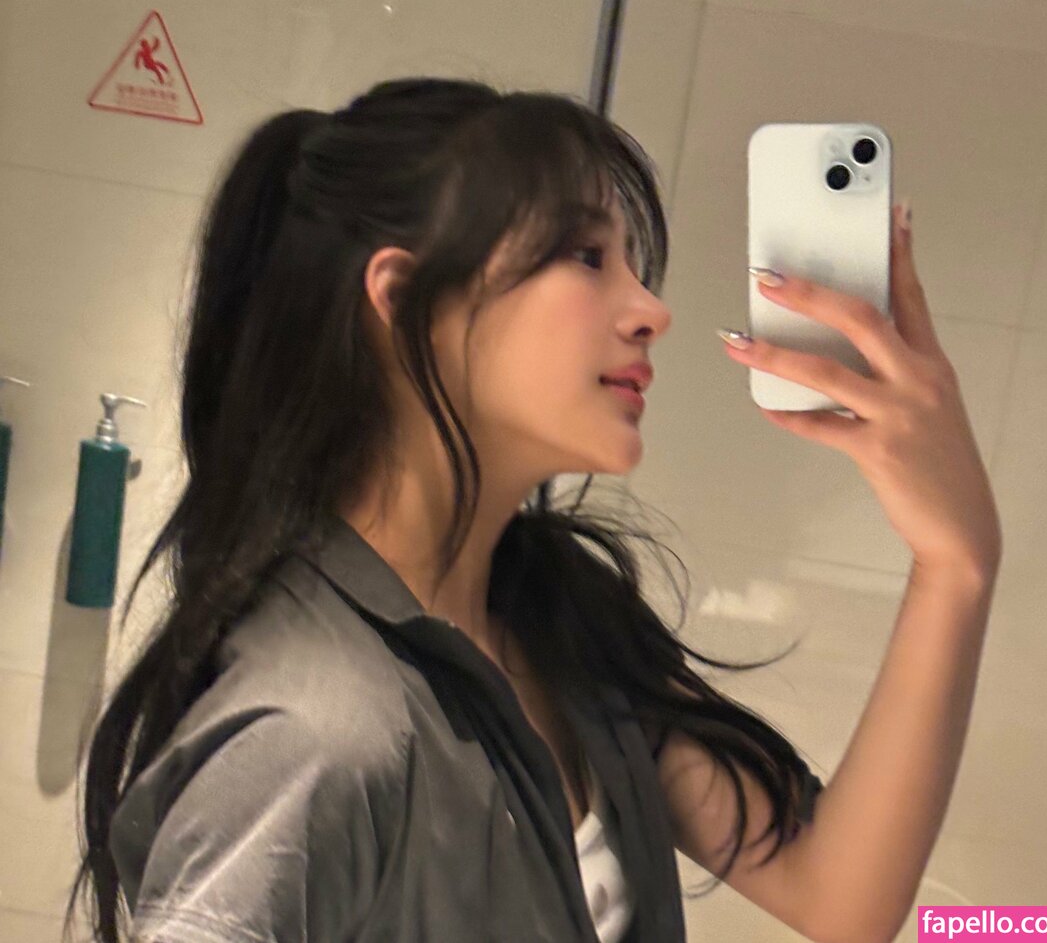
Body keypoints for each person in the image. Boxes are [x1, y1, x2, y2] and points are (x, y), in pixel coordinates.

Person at [67, 78, 824, 943]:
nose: (651, 310)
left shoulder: (558, 623)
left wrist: (941, 538)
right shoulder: (316, 730)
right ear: (403, 301)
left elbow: (833, 889)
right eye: (586, 255)